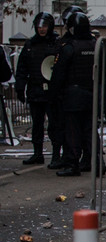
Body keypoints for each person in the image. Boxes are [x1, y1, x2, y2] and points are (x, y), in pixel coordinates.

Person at [48, 12, 98, 176]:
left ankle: (72, 163)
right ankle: (96, 161)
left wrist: (53, 95)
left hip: (72, 95)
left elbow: (58, 74)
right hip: (92, 92)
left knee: (72, 131)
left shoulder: (69, 47)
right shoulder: (96, 45)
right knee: (90, 130)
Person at [15, 12, 61, 166]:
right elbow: (22, 68)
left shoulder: (56, 43)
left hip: (51, 91)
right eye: (39, 26)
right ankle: (37, 153)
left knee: (54, 124)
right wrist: (20, 87)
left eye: (45, 26)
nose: (42, 29)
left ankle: (56, 154)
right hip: (35, 89)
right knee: (37, 124)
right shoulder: (30, 45)